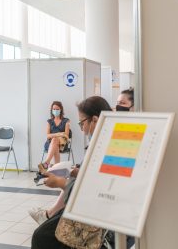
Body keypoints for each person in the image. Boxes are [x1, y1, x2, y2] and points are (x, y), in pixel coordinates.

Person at [31, 96, 112, 249]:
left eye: (82, 123)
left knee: (42, 237)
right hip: (86, 206)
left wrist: (60, 182)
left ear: (94, 120)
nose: (82, 129)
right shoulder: (101, 142)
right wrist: (74, 171)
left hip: (93, 214)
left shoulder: (105, 147)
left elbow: (96, 186)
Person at [40, 101, 71, 171]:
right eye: (54, 109)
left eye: (57, 109)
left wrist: (54, 136)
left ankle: (46, 163)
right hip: (49, 144)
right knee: (54, 142)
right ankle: (57, 169)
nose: (55, 111)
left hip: (62, 144)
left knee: (54, 140)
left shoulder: (67, 121)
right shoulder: (49, 121)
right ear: (51, 110)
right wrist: (59, 134)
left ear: (61, 110)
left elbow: (66, 135)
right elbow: (48, 136)